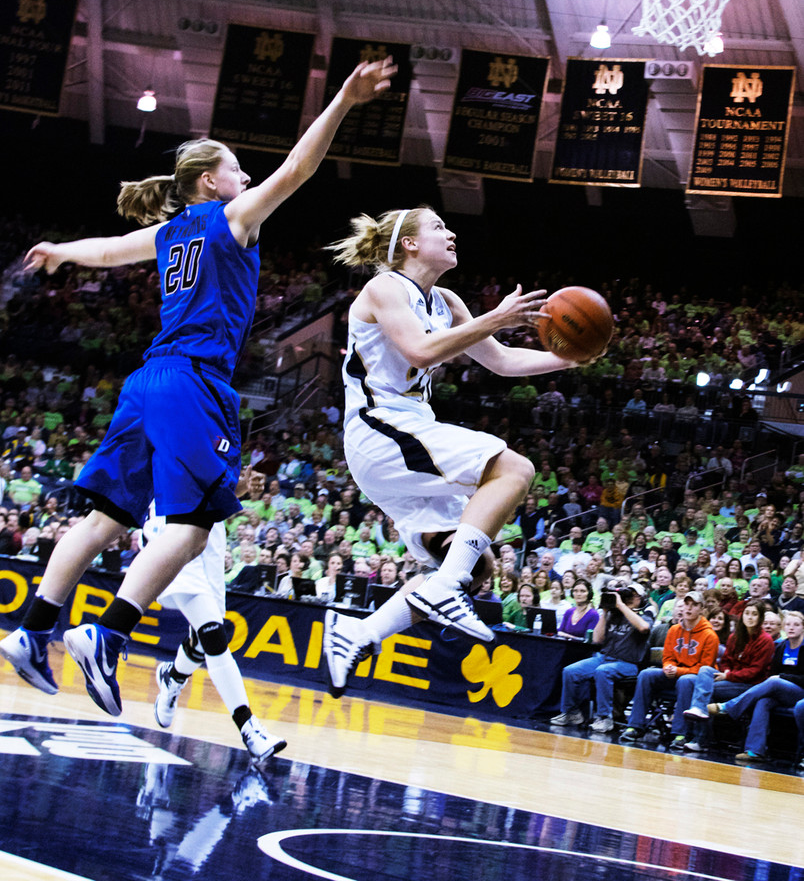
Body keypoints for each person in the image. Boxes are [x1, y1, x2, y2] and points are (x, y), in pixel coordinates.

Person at [0, 57, 396, 715]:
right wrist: (345, 101)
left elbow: (105, 250)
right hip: (194, 382)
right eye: (238, 170)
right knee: (192, 528)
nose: (247, 179)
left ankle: (34, 629)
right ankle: (108, 634)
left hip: (147, 380)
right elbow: (298, 168)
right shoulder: (227, 220)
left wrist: (62, 251)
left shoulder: (168, 233)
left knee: (103, 519)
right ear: (213, 182)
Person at [320, 206, 581, 696]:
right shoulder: (384, 288)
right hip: (381, 426)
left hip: (405, 430)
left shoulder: (446, 301)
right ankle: (442, 590)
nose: (452, 231)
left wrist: (567, 358)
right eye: (438, 227)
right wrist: (494, 318)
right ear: (409, 244)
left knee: (471, 565)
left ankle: (357, 633)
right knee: (513, 469)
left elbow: (500, 361)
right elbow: (420, 351)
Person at [146, 471, 286, 765]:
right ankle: (249, 728)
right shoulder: (177, 430)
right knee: (214, 636)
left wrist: (241, 485)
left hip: (208, 537)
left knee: (200, 639)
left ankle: (172, 679)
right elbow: (189, 480)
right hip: (174, 529)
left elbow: (214, 490)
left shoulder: (219, 433)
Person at [700, 609, 804, 762]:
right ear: (783, 627)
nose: (791, 627)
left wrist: (783, 677)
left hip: (800, 692)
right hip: (781, 690)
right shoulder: (782, 647)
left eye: (796, 625)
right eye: (788, 624)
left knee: (775, 681)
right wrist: (779, 679)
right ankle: (755, 751)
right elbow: (772, 673)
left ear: (803, 627)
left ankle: (727, 707)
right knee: (763, 701)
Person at [619, 591, 718, 750]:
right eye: (687, 604)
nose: (689, 608)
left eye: (694, 605)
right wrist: (668, 667)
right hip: (674, 674)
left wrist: (677, 671)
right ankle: (635, 726)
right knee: (646, 674)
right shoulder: (674, 630)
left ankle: (680, 733)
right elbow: (668, 656)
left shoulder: (709, 635)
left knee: (685, 681)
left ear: (702, 609)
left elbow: (704, 669)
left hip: (695, 679)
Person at [550, 581, 654, 734]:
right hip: (605, 658)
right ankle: (571, 713)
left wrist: (621, 606)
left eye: (634, 595)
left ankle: (605, 718)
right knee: (570, 671)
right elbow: (597, 640)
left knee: (602, 671)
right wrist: (605, 612)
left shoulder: (645, 615)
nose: (630, 598)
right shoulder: (614, 614)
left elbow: (644, 628)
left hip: (629, 663)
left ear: (642, 598)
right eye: (627, 595)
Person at [680, 598, 776, 749]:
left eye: (754, 614)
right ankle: (696, 713)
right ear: (742, 616)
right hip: (730, 679)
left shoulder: (766, 640)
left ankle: (701, 740)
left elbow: (755, 671)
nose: (750, 617)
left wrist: (728, 676)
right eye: (747, 613)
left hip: (749, 685)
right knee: (705, 671)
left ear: (760, 618)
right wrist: (725, 671)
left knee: (706, 690)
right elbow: (725, 660)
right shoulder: (735, 636)